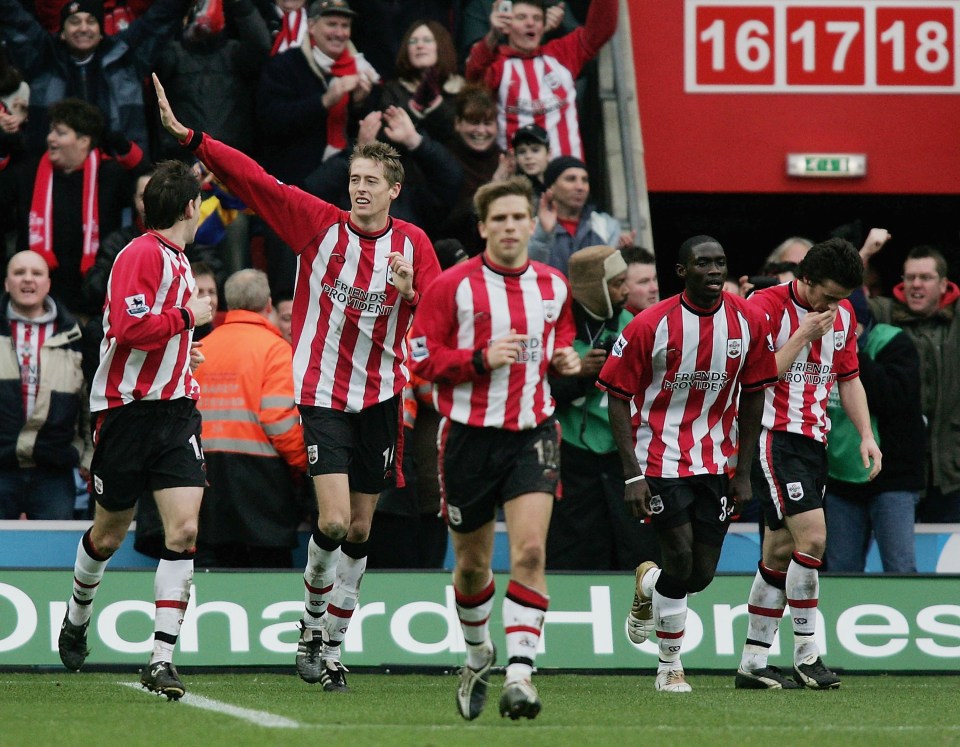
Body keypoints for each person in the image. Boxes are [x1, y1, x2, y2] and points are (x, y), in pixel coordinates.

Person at [154, 72, 441, 692]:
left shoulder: (414, 246)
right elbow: (257, 180)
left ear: (394, 189)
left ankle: (333, 649)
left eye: (371, 182)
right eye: (354, 180)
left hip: (382, 397)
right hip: (321, 395)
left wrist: (410, 292)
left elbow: (435, 319)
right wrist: (195, 138)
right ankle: (311, 626)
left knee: (363, 530)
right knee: (333, 523)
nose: (360, 190)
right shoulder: (318, 224)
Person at [410, 175, 580, 720]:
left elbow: (561, 341)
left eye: (518, 218)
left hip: (532, 434)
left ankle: (521, 675)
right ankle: (479, 653)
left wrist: (566, 361)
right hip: (466, 439)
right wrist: (479, 359)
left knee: (529, 552)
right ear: (483, 228)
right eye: (498, 219)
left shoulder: (554, 285)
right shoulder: (452, 287)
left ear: (533, 223)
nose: (509, 227)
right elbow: (419, 359)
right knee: (472, 565)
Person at [56, 159, 213, 701]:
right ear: (191, 209)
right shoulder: (142, 253)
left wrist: (180, 348)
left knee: (184, 531)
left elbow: (154, 329)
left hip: (175, 411)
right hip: (125, 413)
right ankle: (78, 613)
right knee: (109, 533)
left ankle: (161, 659)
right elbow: (127, 327)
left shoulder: (176, 257)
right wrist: (187, 319)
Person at [598, 235, 777, 693]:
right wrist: (632, 473)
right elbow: (617, 398)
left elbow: (755, 392)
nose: (715, 271)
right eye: (703, 263)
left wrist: (744, 471)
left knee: (699, 574)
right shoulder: (649, 325)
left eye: (720, 262)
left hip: (716, 461)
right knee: (679, 557)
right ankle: (669, 666)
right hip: (659, 459)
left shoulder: (748, 321)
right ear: (682, 272)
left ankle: (647, 583)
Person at [735, 237, 882, 691]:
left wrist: (865, 434)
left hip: (813, 440)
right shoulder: (764, 306)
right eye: (829, 295)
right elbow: (756, 376)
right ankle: (807, 656)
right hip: (774, 436)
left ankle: (753, 663)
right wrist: (802, 335)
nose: (835, 305)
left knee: (779, 552)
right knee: (814, 537)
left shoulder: (845, 314)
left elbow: (849, 378)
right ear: (805, 280)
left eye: (842, 298)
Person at [547, 244, 659, 570]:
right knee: (573, 555)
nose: (625, 290)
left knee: (635, 552)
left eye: (626, 281)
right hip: (569, 460)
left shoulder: (634, 325)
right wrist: (579, 375)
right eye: (616, 283)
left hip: (623, 458)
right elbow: (534, 395)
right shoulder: (557, 330)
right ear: (592, 287)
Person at [194, 269, 308, 568]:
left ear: (226, 304)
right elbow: (280, 421)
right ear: (268, 305)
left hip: (203, 482)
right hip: (260, 484)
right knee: (268, 575)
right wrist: (307, 464)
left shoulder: (201, 349)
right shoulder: (277, 351)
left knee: (212, 573)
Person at [0, 0, 193, 157]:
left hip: (121, 175)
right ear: (62, 34)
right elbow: (13, 17)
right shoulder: (43, 58)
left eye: (91, 21)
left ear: (101, 33)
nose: (83, 28)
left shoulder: (125, 56)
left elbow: (162, 17)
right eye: (74, 22)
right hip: (51, 172)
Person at [0, 98, 136, 317]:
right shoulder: (29, 172)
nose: (50, 138)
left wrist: (123, 145)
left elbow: (145, 192)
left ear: (83, 141)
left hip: (95, 300)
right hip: (40, 301)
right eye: (51, 131)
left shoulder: (111, 174)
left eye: (60, 133)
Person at [824, 290, 924, 572]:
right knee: (841, 569)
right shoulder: (819, 348)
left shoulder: (894, 343)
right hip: (840, 480)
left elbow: (895, 398)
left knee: (900, 566)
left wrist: (853, 357)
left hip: (892, 480)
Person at [868, 246, 960, 523]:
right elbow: (843, 297)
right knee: (899, 563)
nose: (916, 284)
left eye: (926, 277)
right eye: (910, 277)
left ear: (944, 284)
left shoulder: (957, 320)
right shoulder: (883, 312)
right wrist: (865, 252)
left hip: (950, 471)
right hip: (895, 471)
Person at [0, 251, 92, 520]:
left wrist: (89, 458)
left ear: (48, 284)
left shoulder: (76, 335)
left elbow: (89, 403)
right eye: (19, 273)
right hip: (1, 469)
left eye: (36, 273)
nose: (28, 279)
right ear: (6, 283)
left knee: (54, 559)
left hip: (54, 472)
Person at [465, 0, 618, 159]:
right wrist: (493, 34)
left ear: (543, 26)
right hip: (519, 177)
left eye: (537, 18)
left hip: (566, 173)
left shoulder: (562, 54)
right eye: (522, 17)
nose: (530, 23)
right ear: (508, 26)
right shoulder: (497, 65)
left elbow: (601, 29)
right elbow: (473, 75)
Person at [527, 156, 629, 274]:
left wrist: (623, 254)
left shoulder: (605, 226)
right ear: (551, 187)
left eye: (584, 180)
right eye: (571, 179)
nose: (580, 187)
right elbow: (529, 272)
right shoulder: (532, 227)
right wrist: (543, 235)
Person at [379, 19, 464, 147]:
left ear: (441, 46)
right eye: (413, 41)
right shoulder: (393, 89)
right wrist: (414, 106)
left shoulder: (460, 89)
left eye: (427, 40)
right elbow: (386, 135)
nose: (419, 45)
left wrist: (436, 104)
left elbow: (460, 132)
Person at [511, 123, 550, 205]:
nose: (528, 156)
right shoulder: (512, 191)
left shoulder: (561, 185)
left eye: (535, 150)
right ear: (515, 157)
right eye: (522, 152)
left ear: (549, 153)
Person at [620, 245, 659, 314]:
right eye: (644, 282)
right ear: (622, 287)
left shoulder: (665, 319)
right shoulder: (616, 323)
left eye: (654, 279)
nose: (655, 288)